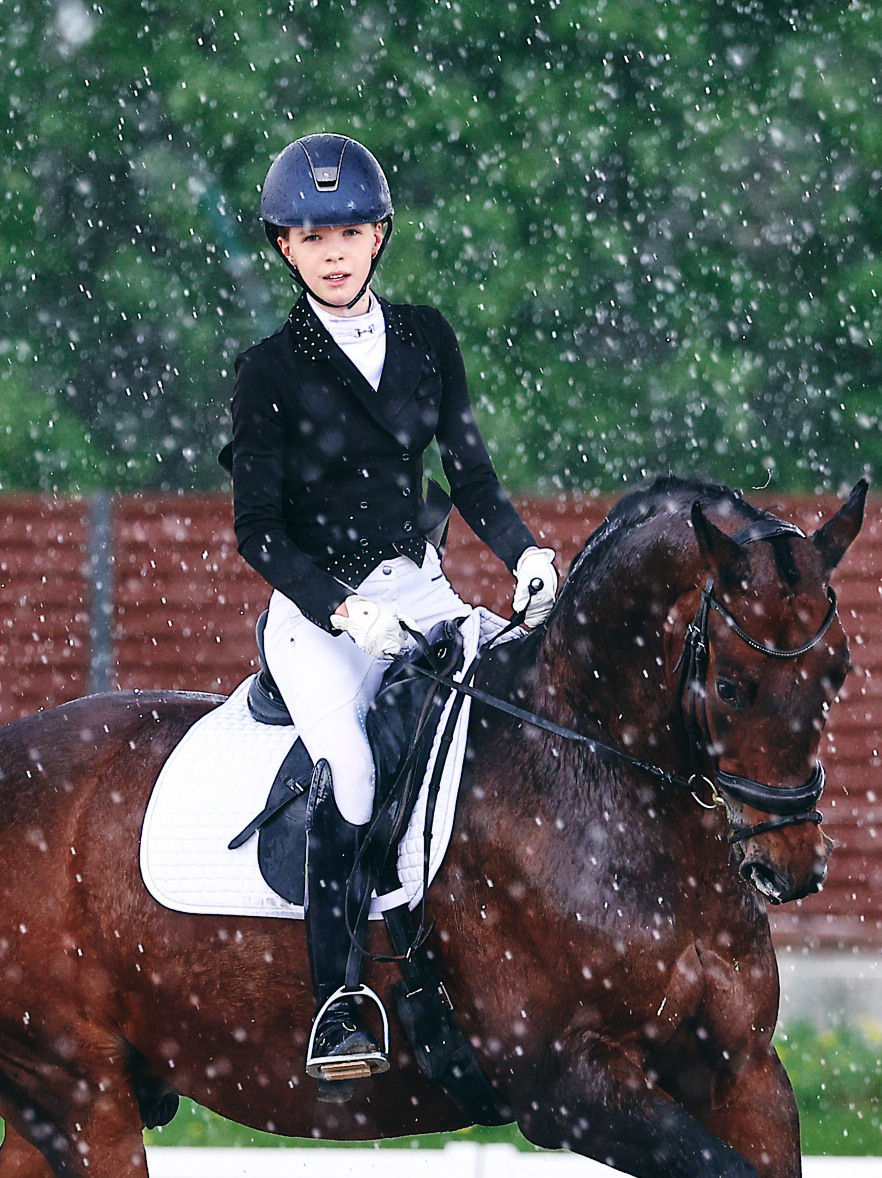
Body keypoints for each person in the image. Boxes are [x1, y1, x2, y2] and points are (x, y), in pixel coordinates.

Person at [219, 132, 560, 1089]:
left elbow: (471, 476)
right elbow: (258, 533)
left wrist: (525, 554)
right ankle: (338, 1002)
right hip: (316, 612)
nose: (333, 253)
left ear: (379, 236)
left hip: (418, 588)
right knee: (357, 778)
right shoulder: (269, 371)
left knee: (507, 725)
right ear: (286, 249)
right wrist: (342, 611)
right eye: (311, 237)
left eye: (349, 233)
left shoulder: (425, 339)